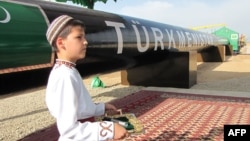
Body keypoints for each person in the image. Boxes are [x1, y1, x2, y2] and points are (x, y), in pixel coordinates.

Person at [45, 15, 128, 141]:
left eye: (84, 37)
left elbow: (79, 107)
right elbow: (69, 130)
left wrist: (101, 108)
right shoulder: (64, 76)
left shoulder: (69, 70)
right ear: (61, 43)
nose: (85, 41)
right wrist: (109, 129)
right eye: (79, 37)